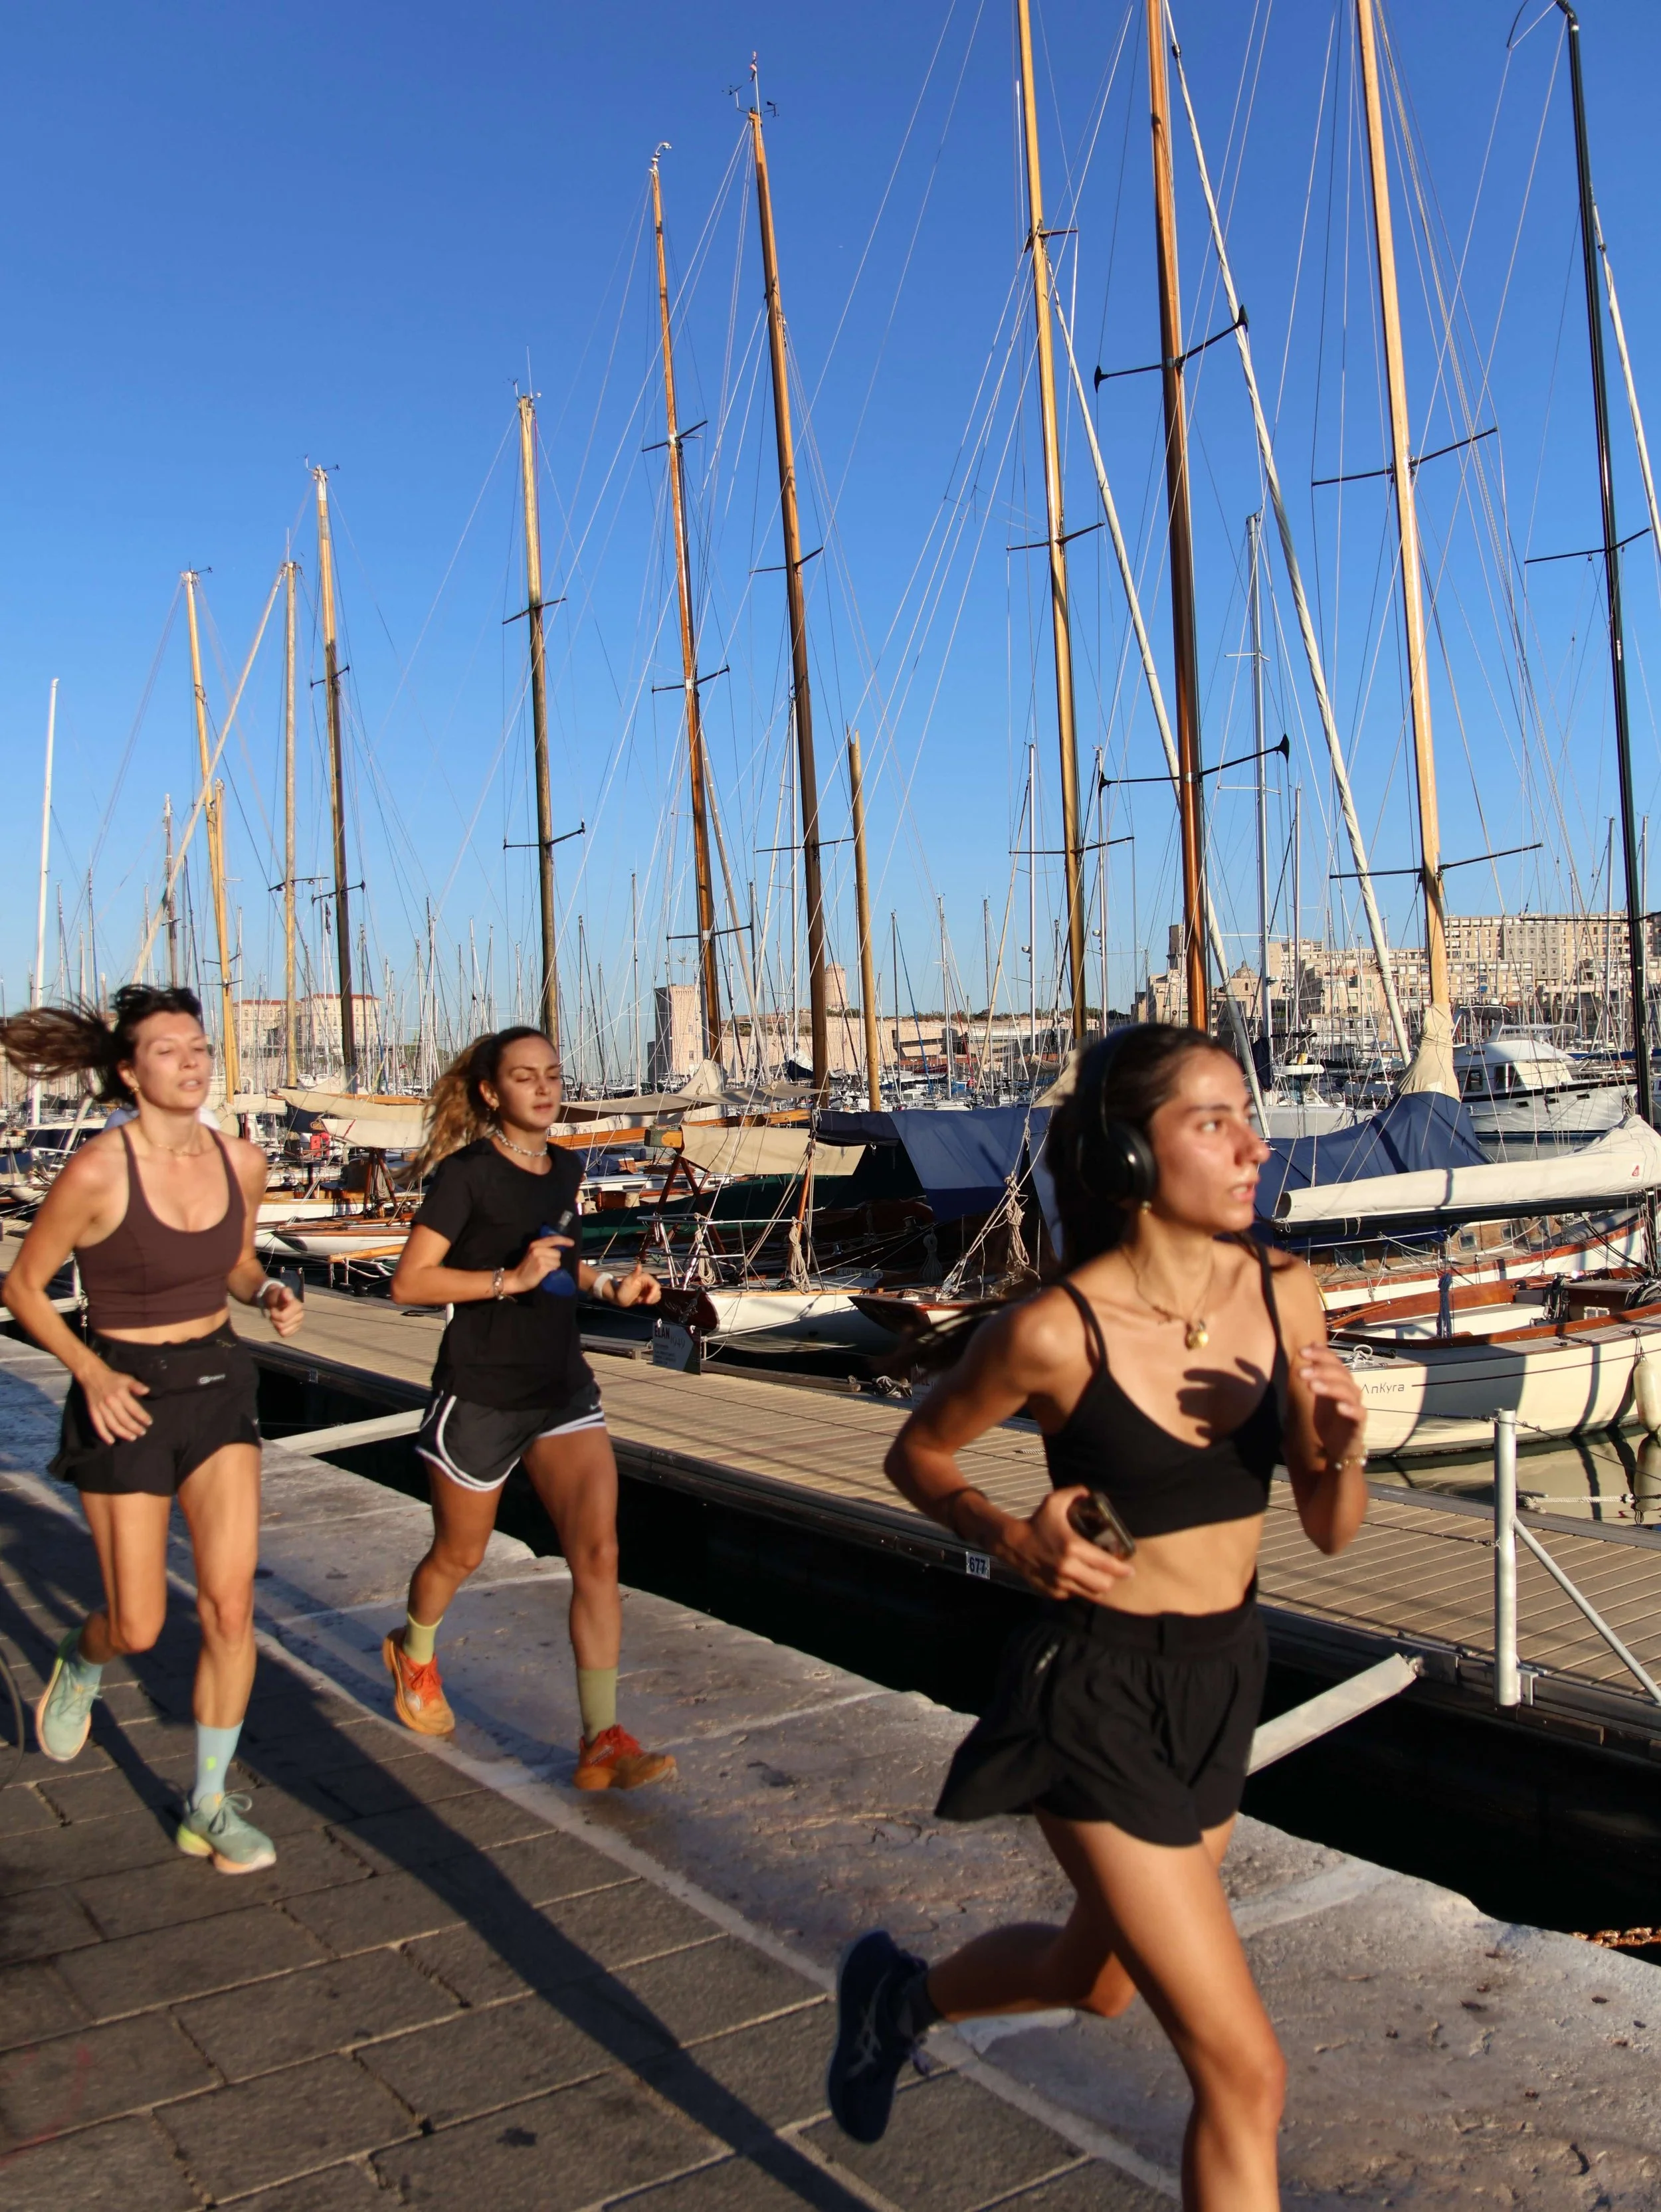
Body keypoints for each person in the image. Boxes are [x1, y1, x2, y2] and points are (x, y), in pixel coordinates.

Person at [826, 1024, 1368, 2211]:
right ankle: (898, 2004)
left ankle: (898, 2001)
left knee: (1100, 1978)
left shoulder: (1289, 1293)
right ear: (1129, 1154)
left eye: (1248, 1114)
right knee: (1245, 2075)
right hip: (1097, 1692)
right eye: (1213, 1119)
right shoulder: (1051, 1332)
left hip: (1225, 1674)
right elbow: (917, 1452)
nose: (1254, 1144)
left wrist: (1338, 1445)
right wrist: (1011, 1537)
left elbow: (1332, 1525)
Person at [1, 987, 304, 1873]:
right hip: (123, 1393)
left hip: (216, 1384)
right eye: (168, 1049)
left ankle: (206, 1802)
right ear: (129, 1072)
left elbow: (238, 1261)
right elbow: (22, 1288)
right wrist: (90, 1370)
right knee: (135, 1624)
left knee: (229, 1606)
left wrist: (268, 1293)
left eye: (199, 1045)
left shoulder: (240, 1161)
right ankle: (80, 1657)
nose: (192, 1060)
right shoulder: (99, 1167)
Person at [385, 1025, 674, 1791]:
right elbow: (410, 1283)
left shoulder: (565, 1168)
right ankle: (413, 1653)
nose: (544, 1089)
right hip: (480, 1392)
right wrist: (505, 1281)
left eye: (551, 1073)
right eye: (524, 1077)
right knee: (459, 1555)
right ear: (491, 1092)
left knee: (599, 1556)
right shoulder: (465, 1177)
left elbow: (558, 1261)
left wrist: (607, 1288)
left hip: (560, 1388)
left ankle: (601, 1738)